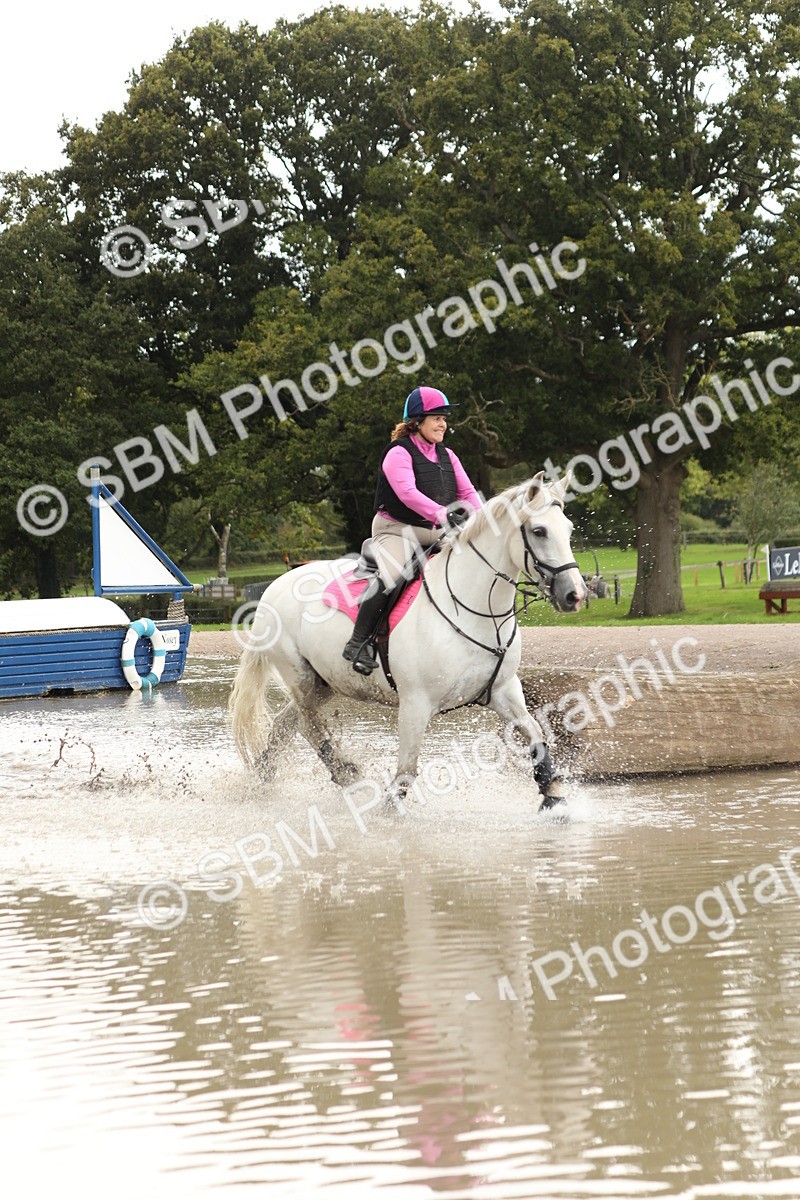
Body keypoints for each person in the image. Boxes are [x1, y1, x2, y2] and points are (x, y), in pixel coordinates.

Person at [342, 385, 482, 673]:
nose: (443, 424)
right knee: (392, 575)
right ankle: (358, 642)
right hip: (396, 529)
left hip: (434, 530)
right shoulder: (398, 453)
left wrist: (482, 521)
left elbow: (468, 494)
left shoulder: (448, 455)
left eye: (444, 418)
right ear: (417, 421)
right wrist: (443, 514)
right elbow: (407, 493)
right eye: (436, 418)